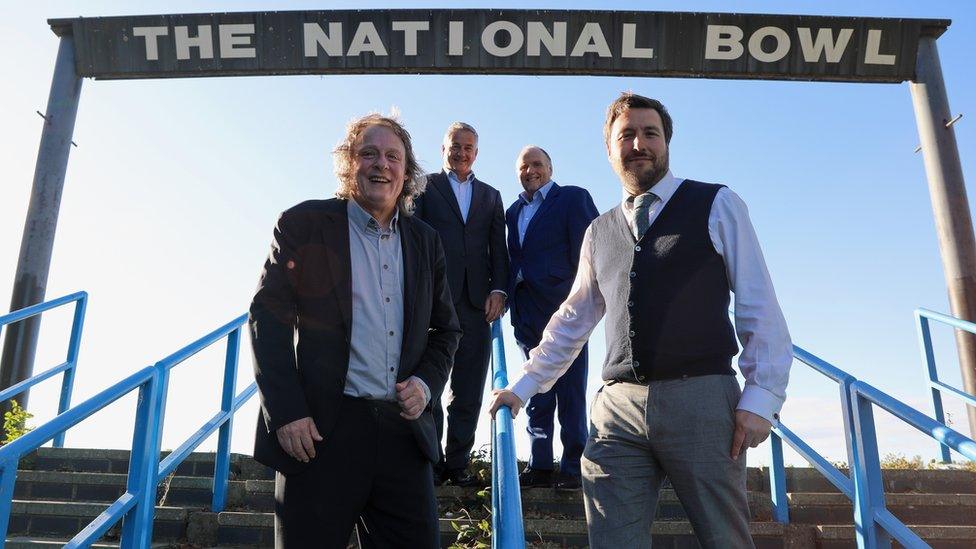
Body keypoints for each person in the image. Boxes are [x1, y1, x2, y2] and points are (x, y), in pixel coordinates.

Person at [489, 93, 792, 548]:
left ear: (666, 142)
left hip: (703, 399)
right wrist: (523, 386)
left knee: (724, 539)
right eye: (625, 135)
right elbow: (573, 318)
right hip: (617, 410)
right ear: (610, 149)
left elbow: (758, 301)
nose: (638, 143)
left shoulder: (716, 203)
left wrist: (762, 395)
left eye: (650, 133)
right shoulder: (599, 231)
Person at [249, 113, 461, 548]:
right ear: (348, 165)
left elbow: (447, 331)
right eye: (368, 154)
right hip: (320, 435)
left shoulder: (426, 241)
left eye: (392, 156)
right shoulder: (303, 224)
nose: (380, 164)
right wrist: (287, 412)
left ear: (407, 172)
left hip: (404, 434)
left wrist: (425, 382)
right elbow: (266, 321)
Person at [414, 122, 510, 486]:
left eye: (468, 147)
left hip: (476, 304)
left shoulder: (491, 195)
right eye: (455, 146)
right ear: (443, 149)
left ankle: (457, 463)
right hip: (433, 302)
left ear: (476, 152)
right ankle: (430, 462)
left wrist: (499, 289)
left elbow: (498, 250)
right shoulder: (424, 187)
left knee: (469, 388)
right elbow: (414, 239)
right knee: (430, 386)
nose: (461, 152)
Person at [505, 145, 598, 490]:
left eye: (537, 164)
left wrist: (583, 297)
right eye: (523, 166)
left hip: (567, 309)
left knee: (571, 392)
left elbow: (591, 252)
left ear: (550, 168)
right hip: (527, 311)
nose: (530, 170)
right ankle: (540, 463)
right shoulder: (512, 211)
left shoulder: (572, 199)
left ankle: (574, 467)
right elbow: (514, 257)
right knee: (536, 390)